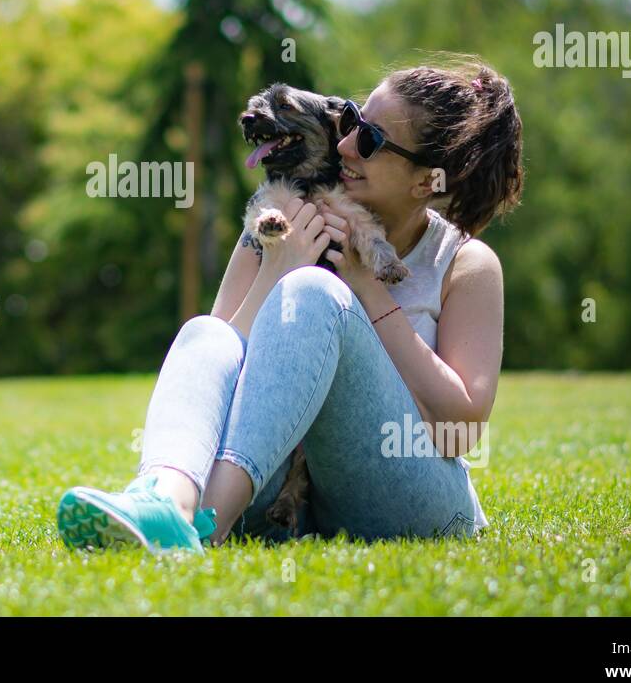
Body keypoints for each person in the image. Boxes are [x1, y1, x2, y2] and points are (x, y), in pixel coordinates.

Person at [57, 56, 525, 554]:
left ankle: (198, 530)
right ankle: (166, 499)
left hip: (408, 498)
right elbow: (217, 380)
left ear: (425, 181)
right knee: (204, 333)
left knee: (315, 293)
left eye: (369, 139)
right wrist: (277, 268)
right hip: (276, 502)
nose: (344, 142)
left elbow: (461, 431)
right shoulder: (276, 221)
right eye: (351, 120)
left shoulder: (463, 262)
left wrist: (366, 288)